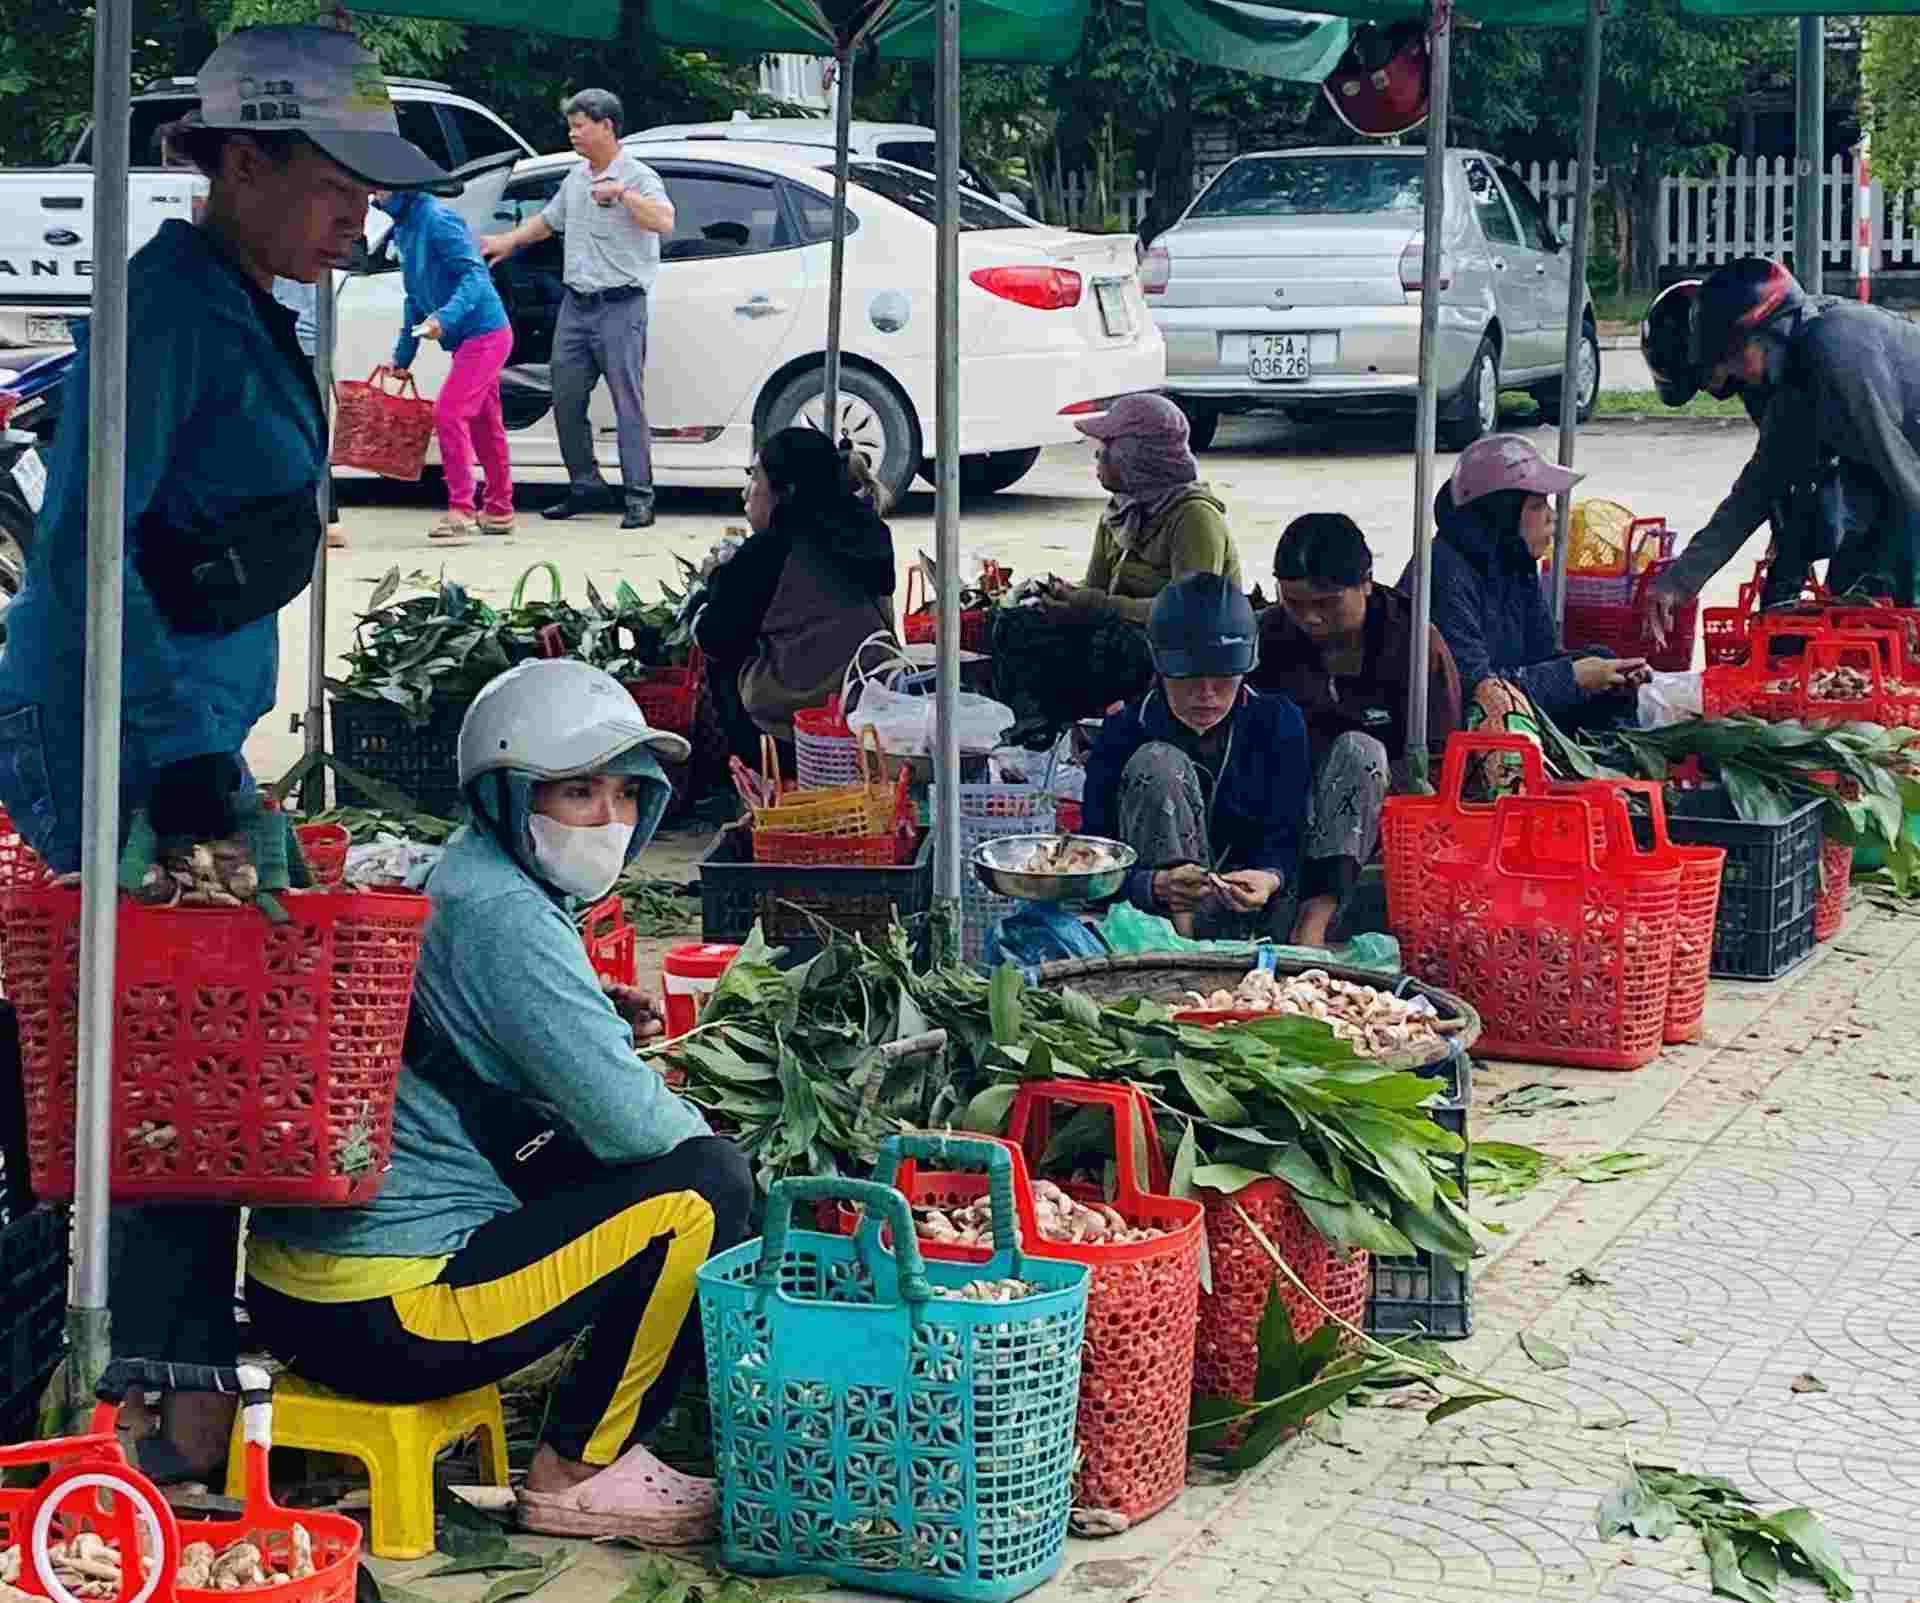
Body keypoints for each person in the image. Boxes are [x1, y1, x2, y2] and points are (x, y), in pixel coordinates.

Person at [0, 23, 451, 1483]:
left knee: (210, 1065)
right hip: (119, 735)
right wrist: (183, 760)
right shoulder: (172, 309)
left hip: (188, 728)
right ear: (239, 161)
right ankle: (128, 1426)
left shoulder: (254, 299)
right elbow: (80, 560)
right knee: (152, 1076)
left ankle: (187, 1403)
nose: (359, 219)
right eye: (333, 186)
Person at [246, 660, 752, 1543]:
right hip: (386, 1310)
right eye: (578, 792)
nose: (612, 819)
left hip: (303, 1291)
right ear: (510, 797)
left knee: (668, 1180)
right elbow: (639, 1128)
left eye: (628, 792)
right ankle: (579, 1470)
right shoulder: (503, 914)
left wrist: (595, 1025)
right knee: (706, 1189)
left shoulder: (473, 877)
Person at [1641, 257, 1920, 630]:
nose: (1728, 375)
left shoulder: (1838, 354)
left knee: (1893, 601)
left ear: (1773, 331)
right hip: (1889, 472)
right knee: (1851, 597)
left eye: (1733, 358)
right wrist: (1680, 581)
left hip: (1907, 470)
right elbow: (1759, 486)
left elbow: (1904, 480)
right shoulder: (1794, 379)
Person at [1254, 513, 1463, 947]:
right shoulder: (1267, 637)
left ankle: (1315, 920)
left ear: (1366, 582)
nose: (1310, 618)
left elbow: (1440, 761)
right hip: (1285, 804)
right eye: (1294, 603)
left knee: (1359, 752)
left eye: (1327, 603)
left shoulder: (1415, 645)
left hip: (1381, 810)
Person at [994, 392, 1243, 738]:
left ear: (1136, 456)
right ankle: (1040, 735)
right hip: (1115, 624)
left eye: (1107, 446)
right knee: (1017, 622)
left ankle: (1108, 733)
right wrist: (1064, 597)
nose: (1097, 456)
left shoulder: (1194, 517)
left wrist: (1096, 606)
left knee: (1117, 644)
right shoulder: (1120, 511)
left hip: (1183, 645)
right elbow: (1095, 586)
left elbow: (1190, 613)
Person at [480, 90, 674, 531]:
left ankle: (640, 497)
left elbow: (664, 221)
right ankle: (585, 485)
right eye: (571, 125)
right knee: (565, 399)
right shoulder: (575, 177)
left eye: (579, 125)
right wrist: (505, 243)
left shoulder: (638, 176)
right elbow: (548, 221)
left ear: (607, 125)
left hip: (621, 306)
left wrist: (624, 196)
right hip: (577, 306)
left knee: (628, 404)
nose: (572, 134)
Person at [1082, 573, 1311, 941]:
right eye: (1188, 678)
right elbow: (1092, 856)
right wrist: (1152, 884)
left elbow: (1289, 830)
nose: (1207, 694)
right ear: (1160, 669)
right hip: (1156, 924)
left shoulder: (1278, 722)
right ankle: (1181, 944)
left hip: (1257, 914)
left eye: (1223, 678)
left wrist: (1269, 878)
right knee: (1158, 764)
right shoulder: (1124, 731)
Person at [1407, 434, 1645, 750]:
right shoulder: (1444, 572)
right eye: (1536, 505)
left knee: (1603, 662)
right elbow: (1475, 693)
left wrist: (1604, 673)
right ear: (1500, 514)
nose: (1552, 516)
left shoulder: (1512, 559)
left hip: (1511, 699)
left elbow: (1540, 655)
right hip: (1462, 734)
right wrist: (1572, 678)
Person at [694, 428, 896, 763]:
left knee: (719, 662)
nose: (747, 490)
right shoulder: (869, 531)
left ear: (786, 490)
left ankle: (750, 768)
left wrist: (717, 579)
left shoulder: (771, 551)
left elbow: (715, 638)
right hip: (875, 718)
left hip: (792, 737)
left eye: (755, 477)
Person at [376, 188, 516, 542]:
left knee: (449, 413)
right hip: (471, 336)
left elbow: (475, 277)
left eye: (380, 187)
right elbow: (414, 298)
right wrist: (402, 357)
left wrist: (445, 317)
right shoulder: (404, 226)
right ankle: (499, 510)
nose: (373, 195)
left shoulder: (438, 219)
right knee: (485, 423)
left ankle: (462, 510)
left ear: (403, 187)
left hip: (485, 333)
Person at [269, 274, 347, 550]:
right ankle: (329, 519)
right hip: (311, 346)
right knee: (305, 433)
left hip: (294, 344)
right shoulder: (313, 262)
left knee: (294, 436)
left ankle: (327, 519)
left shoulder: (279, 256)